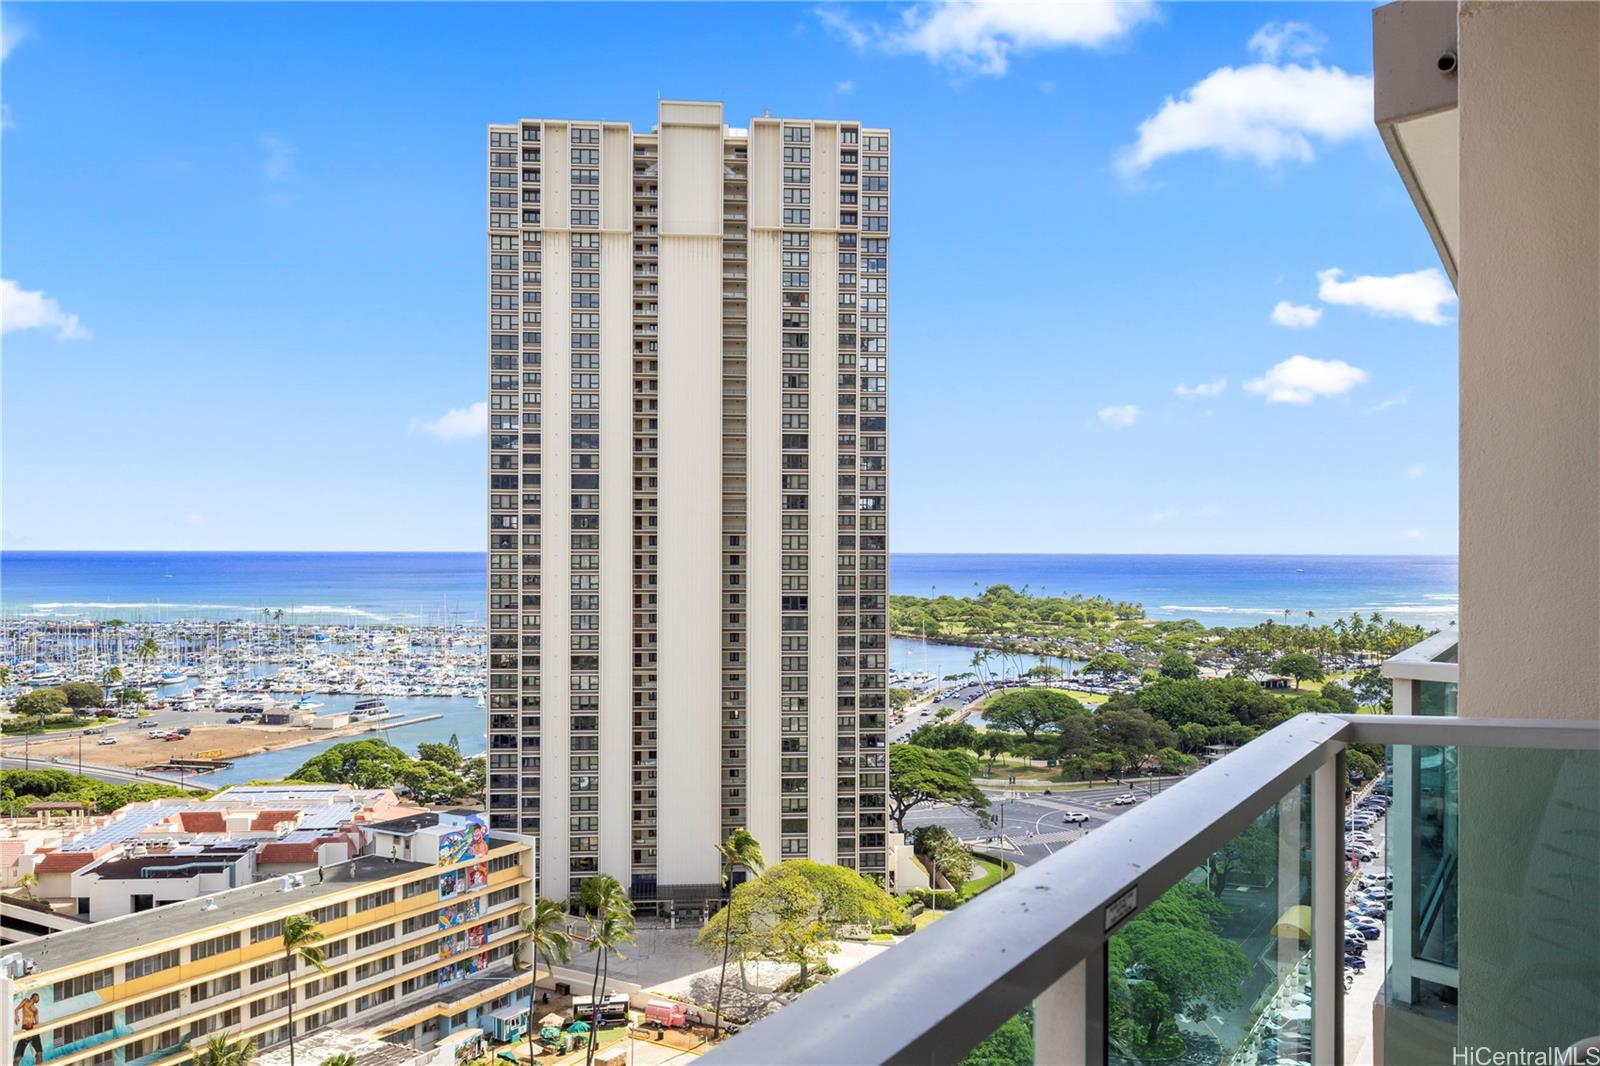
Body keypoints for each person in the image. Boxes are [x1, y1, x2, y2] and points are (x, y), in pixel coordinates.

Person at [14, 993, 43, 1065]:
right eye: (37, 997)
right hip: (25, 1029)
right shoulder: (25, 1001)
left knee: (39, 1054)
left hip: (32, 1029)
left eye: (38, 998)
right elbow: (16, 1009)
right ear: (33, 996)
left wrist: (37, 1028)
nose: (38, 999)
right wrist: (16, 1016)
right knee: (17, 1058)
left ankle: (38, 1059)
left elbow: (37, 1022)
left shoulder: (35, 1009)